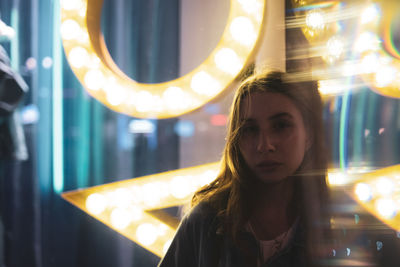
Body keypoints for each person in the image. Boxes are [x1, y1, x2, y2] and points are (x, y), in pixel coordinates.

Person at [158, 71, 330, 267]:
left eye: (281, 126)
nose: (264, 145)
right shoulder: (206, 221)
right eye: (249, 130)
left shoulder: (332, 222)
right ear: (236, 140)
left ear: (308, 135)